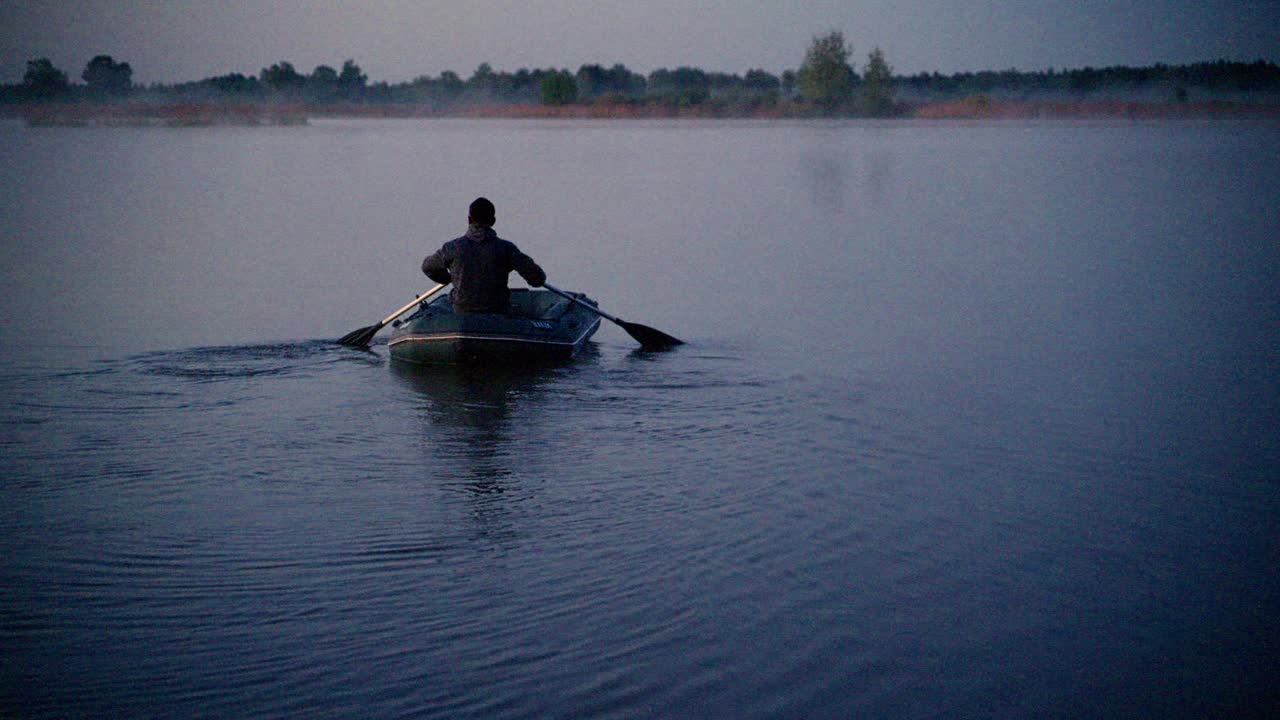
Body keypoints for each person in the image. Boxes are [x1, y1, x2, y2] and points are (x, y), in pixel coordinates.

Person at [422, 197, 546, 314]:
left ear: (469, 220)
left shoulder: (452, 248)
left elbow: (428, 267)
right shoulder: (506, 249)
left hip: (462, 311)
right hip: (497, 315)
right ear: (493, 221)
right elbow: (537, 278)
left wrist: (447, 278)